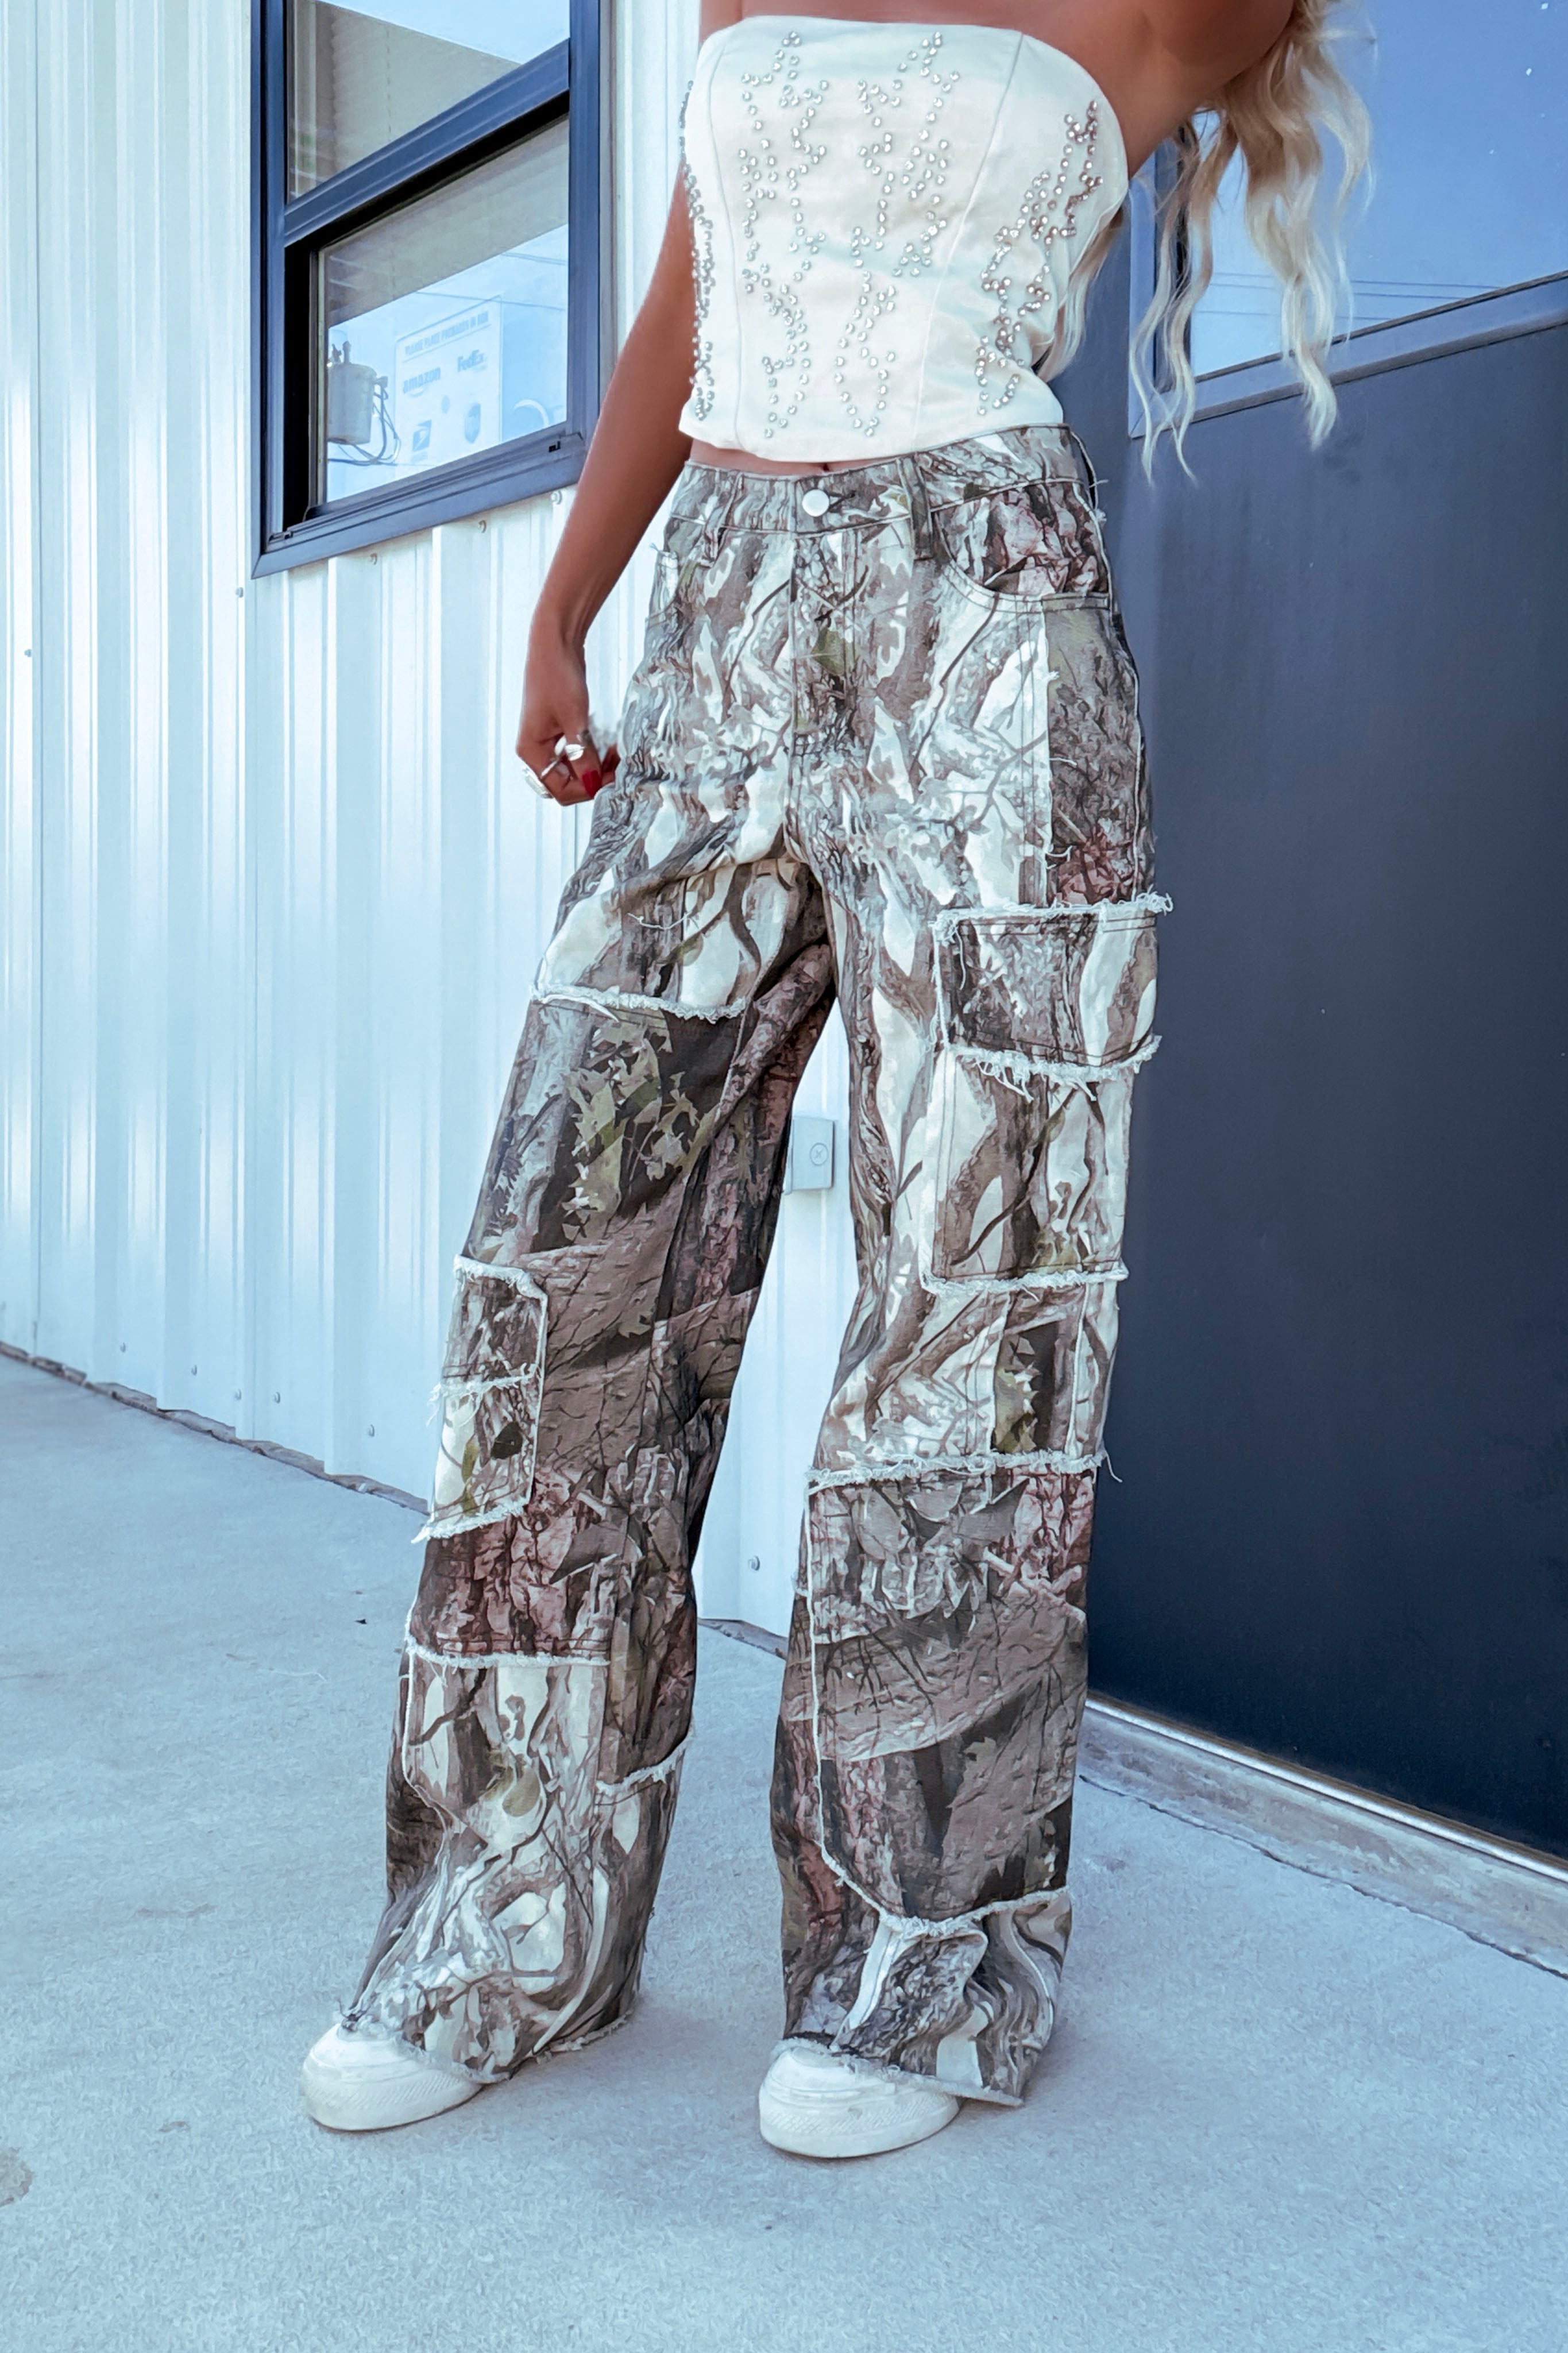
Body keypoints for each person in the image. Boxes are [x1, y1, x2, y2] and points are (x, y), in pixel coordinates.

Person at [302, 1, 1366, 2159]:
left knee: (971, 1306)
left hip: (984, 618)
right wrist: (566, 604)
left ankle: (919, 1961)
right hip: (713, 616)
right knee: (567, 1267)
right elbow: (685, 302)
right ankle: (505, 1922)